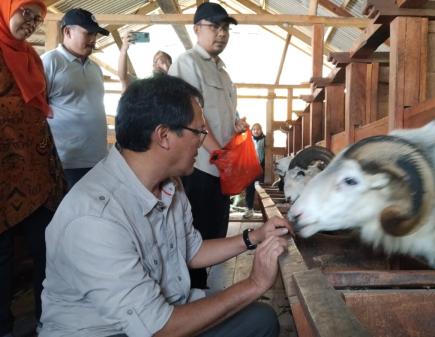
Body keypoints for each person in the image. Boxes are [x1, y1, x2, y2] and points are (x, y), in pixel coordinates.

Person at [39, 75, 292, 337]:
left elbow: (191, 251)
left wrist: (256, 236)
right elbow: (160, 329)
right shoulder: (95, 217)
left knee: (260, 319)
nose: (202, 140)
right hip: (108, 332)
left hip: (164, 311)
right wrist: (254, 283)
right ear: (164, 136)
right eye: (198, 131)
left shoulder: (170, 184)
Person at [169, 2, 248, 289]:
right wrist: (218, 151)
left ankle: (201, 292)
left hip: (220, 168)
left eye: (225, 28)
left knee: (214, 232)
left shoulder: (223, 72)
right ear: (197, 29)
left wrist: (236, 126)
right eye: (214, 27)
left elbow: (221, 114)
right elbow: (194, 115)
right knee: (195, 237)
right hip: (200, 167)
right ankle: (189, 297)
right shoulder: (186, 63)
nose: (221, 34)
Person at [0, 1, 66, 336]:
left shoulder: (31, 57)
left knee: (47, 250)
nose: (31, 22)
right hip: (1, 177)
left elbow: (39, 111)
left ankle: (48, 320)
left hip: (36, 175)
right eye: (25, 12)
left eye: (37, 18)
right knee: (1, 258)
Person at [42, 8, 109, 189]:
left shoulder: (95, 68)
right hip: (67, 162)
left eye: (95, 34)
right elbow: (36, 110)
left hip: (99, 160)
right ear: (67, 31)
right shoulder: (50, 62)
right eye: (88, 34)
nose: (93, 40)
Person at [243, 123, 265, 219]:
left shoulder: (265, 139)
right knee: (249, 188)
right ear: (251, 131)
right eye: (254, 129)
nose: (256, 131)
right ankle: (249, 209)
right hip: (250, 167)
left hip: (262, 167)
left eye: (258, 129)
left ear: (261, 130)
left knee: (262, 188)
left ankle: (264, 210)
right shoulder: (248, 139)